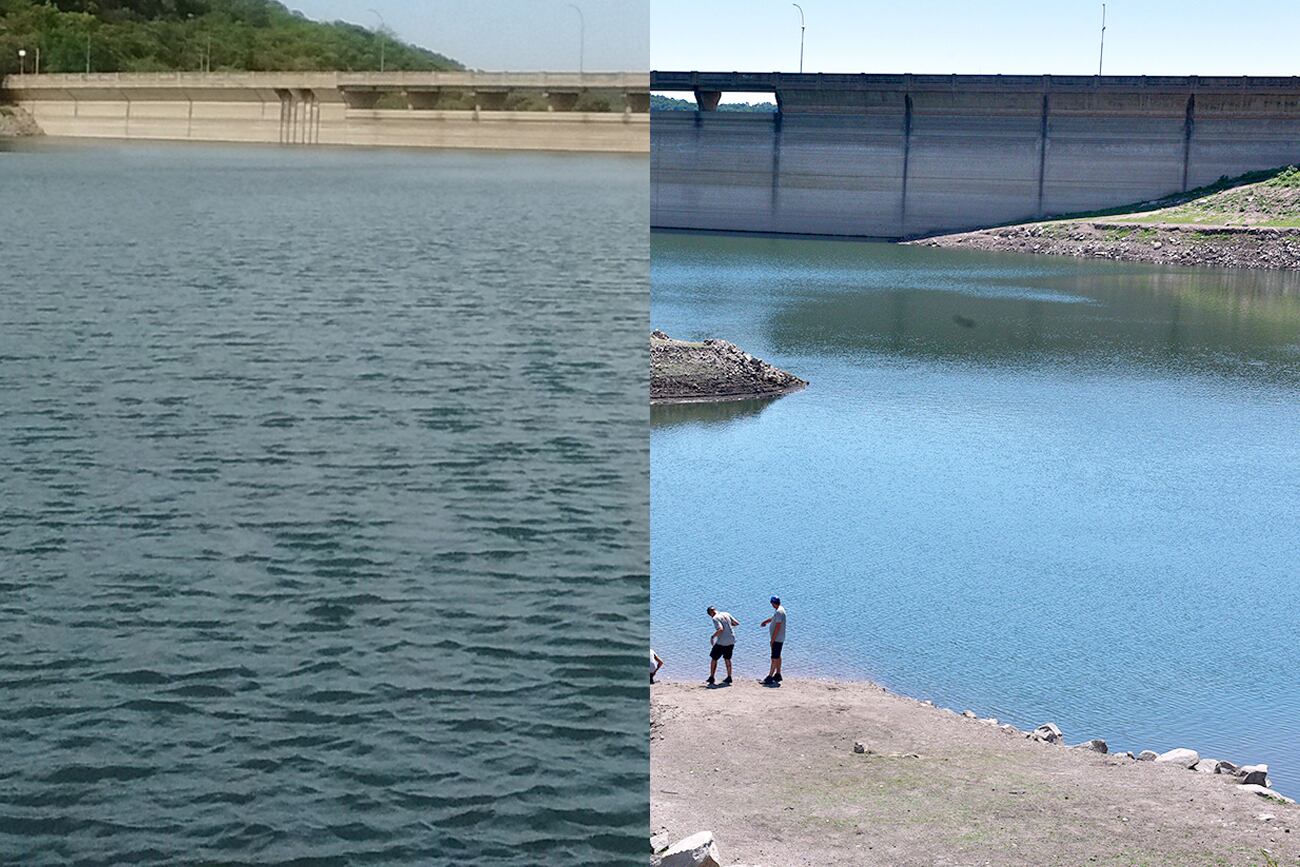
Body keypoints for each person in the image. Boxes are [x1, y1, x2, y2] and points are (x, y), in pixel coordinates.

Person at [705, 605, 739, 685]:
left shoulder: (715, 618)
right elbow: (736, 623)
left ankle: (712, 677)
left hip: (722, 641)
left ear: (710, 613)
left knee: (714, 658)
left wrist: (713, 637)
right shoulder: (726, 614)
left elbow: (720, 629)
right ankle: (729, 677)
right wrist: (728, 626)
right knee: (727, 658)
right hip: (731, 639)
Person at [759, 595, 786, 685]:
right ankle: (778, 674)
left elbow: (778, 626)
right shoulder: (780, 610)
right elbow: (774, 619)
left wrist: (772, 640)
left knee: (774, 658)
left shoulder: (779, 611)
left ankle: (770, 677)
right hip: (780, 638)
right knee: (778, 656)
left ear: (773, 603)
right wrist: (766, 622)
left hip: (777, 639)